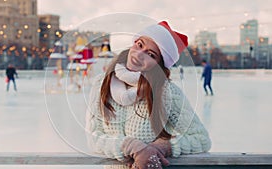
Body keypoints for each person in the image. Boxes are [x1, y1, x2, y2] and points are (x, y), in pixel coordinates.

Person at [86, 21, 211, 169]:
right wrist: (133, 147)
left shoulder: (167, 92)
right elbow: (94, 138)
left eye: (151, 54)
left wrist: (163, 147)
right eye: (139, 45)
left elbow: (201, 139)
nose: (139, 55)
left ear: (159, 65)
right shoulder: (102, 83)